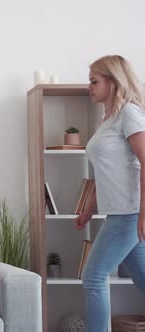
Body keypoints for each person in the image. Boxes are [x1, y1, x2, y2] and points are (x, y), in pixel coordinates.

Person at [76, 55, 145, 331]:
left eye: (95, 81)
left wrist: (143, 214)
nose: (89, 87)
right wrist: (89, 209)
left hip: (128, 214)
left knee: (93, 276)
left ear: (113, 82)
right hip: (117, 212)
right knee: (142, 277)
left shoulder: (129, 113)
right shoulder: (109, 118)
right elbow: (108, 173)